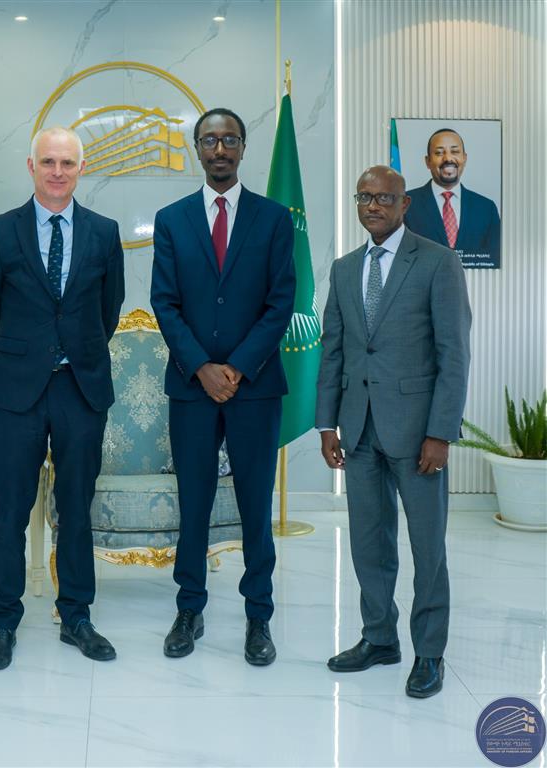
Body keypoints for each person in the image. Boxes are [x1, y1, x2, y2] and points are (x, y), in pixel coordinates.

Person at [0, 126, 125, 670]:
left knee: (76, 508)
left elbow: (109, 309)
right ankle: (4, 622)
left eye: (67, 163)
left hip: (80, 388)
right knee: (10, 509)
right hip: (17, 389)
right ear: (31, 166)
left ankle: (76, 616)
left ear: (81, 168)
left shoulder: (104, 232)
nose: (58, 172)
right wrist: (27, 354)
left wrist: (71, 353)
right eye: (48, 162)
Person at [316, 165, 471, 698]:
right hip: (358, 430)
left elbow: (454, 355)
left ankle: (429, 652)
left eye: (384, 198)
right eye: (364, 198)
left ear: (405, 204)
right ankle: (380, 637)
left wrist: (441, 433)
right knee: (368, 543)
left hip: (417, 434)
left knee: (428, 548)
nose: (373, 206)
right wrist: (327, 423)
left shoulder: (438, 261)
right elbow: (333, 351)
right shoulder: (344, 269)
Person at [150, 108, 295, 665]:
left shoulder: (273, 218)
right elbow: (165, 302)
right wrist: (202, 367)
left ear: (242, 148)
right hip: (192, 388)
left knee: (256, 505)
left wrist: (235, 366)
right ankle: (189, 608)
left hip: (254, 387)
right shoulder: (172, 219)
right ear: (196, 148)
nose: (219, 149)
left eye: (229, 139)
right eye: (209, 140)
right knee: (195, 503)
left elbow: (280, 302)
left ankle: (259, 615)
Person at [404, 128, 501, 265]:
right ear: (428, 161)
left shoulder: (486, 208)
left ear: (464, 158)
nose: (448, 158)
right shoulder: (405, 204)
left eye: (455, 151)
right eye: (439, 153)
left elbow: (494, 260)